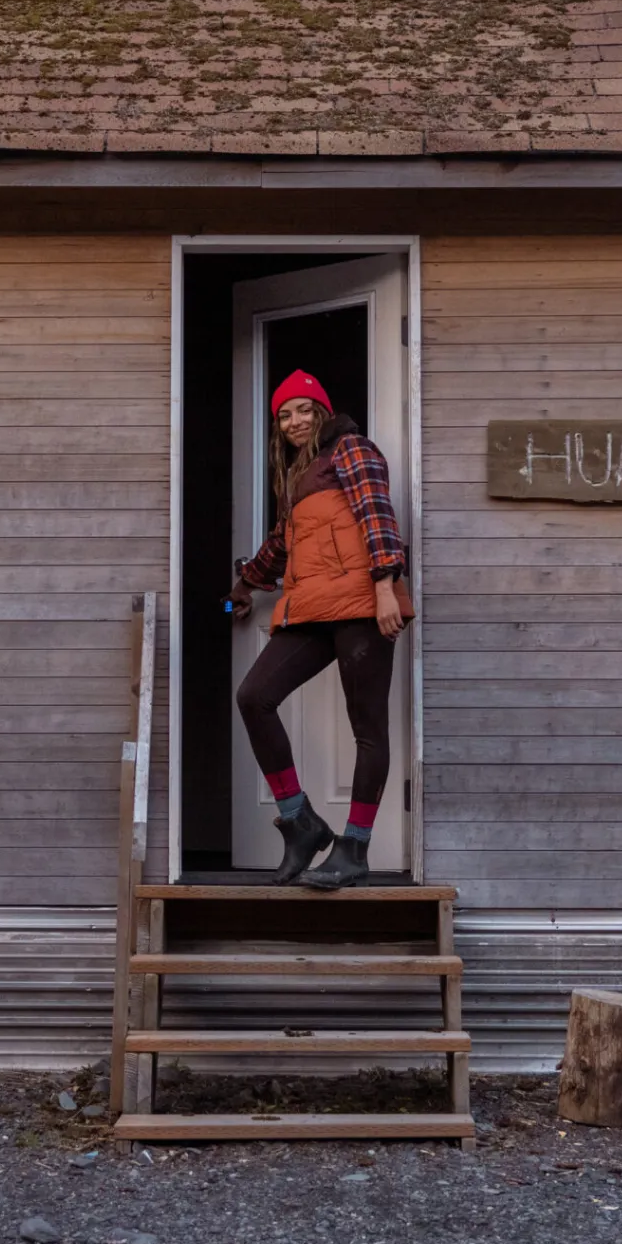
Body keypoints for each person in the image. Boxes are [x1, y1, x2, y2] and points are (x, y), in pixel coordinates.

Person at [227, 369, 412, 890]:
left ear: (323, 412)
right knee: (254, 696)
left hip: (362, 605)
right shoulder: (299, 478)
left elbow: (377, 514)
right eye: (285, 415)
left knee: (368, 729)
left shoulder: (350, 449)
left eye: (304, 410)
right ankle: (300, 822)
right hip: (312, 607)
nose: (295, 422)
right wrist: (243, 586)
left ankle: (354, 849)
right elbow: (280, 545)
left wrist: (385, 588)